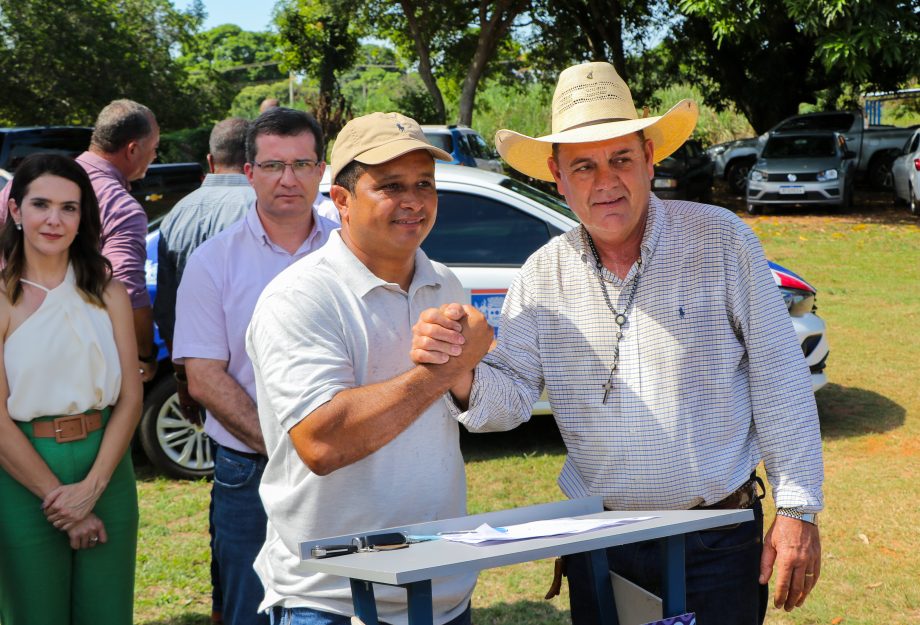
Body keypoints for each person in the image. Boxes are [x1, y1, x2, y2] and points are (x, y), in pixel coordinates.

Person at [410, 62, 824, 625]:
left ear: (649, 158)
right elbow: (505, 402)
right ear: (557, 177)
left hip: (715, 537)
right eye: (583, 165)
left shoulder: (719, 240)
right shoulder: (541, 274)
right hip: (599, 538)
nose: (605, 181)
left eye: (621, 159)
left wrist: (798, 507)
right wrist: (459, 370)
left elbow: (780, 376)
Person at [245, 112, 491, 625]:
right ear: (341, 201)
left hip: (440, 587)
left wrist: (467, 376)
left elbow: (471, 404)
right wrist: (445, 370)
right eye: (391, 186)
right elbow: (323, 443)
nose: (414, 201)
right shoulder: (300, 296)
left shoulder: (445, 283)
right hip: (333, 598)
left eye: (425, 183)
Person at [172, 107, 339, 625]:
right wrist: (290, 448)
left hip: (343, 469)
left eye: (301, 163)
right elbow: (203, 376)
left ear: (321, 170)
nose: (287, 179)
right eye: (272, 166)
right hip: (249, 471)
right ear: (249, 173)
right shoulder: (213, 261)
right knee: (248, 609)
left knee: (337, 605)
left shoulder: (352, 250)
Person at [0, 153, 142, 624]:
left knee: (108, 612)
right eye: (41, 204)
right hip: (23, 472)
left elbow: (131, 397)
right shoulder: (1, 298)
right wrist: (63, 503)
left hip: (107, 467)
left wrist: (94, 487)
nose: (54, 220)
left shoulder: (108, 292)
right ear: (16, 211)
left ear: (84, 218)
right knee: (33, 612)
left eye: (70, 208)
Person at [153, 115, 255, 625]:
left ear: (210, 162)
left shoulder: (180, 212)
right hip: (257, 383)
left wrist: (185, 379)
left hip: (206, 377)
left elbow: (168, 306)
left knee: (229, 502)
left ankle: (223, 603)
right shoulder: (264, 206)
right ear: (252, 161)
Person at [0, 99, 160, 382]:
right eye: (154, 148)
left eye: (70, 209)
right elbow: (126, 287)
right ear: (133, 149)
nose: (155, 156)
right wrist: (143, 355)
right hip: (68, 363)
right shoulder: (121, 207)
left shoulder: (23, 183)